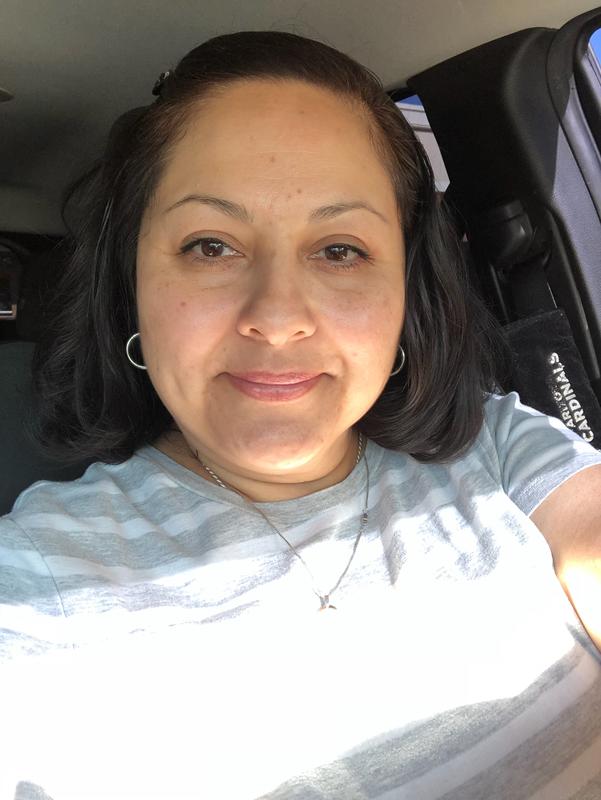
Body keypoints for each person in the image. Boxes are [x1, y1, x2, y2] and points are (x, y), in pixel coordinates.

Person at [1, 30, 600, 800]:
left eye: (339, 250)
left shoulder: (499, 446)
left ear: (405, 292)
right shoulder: (40, 582)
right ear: (133, 286)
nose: (278, 318)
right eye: (210, 245)